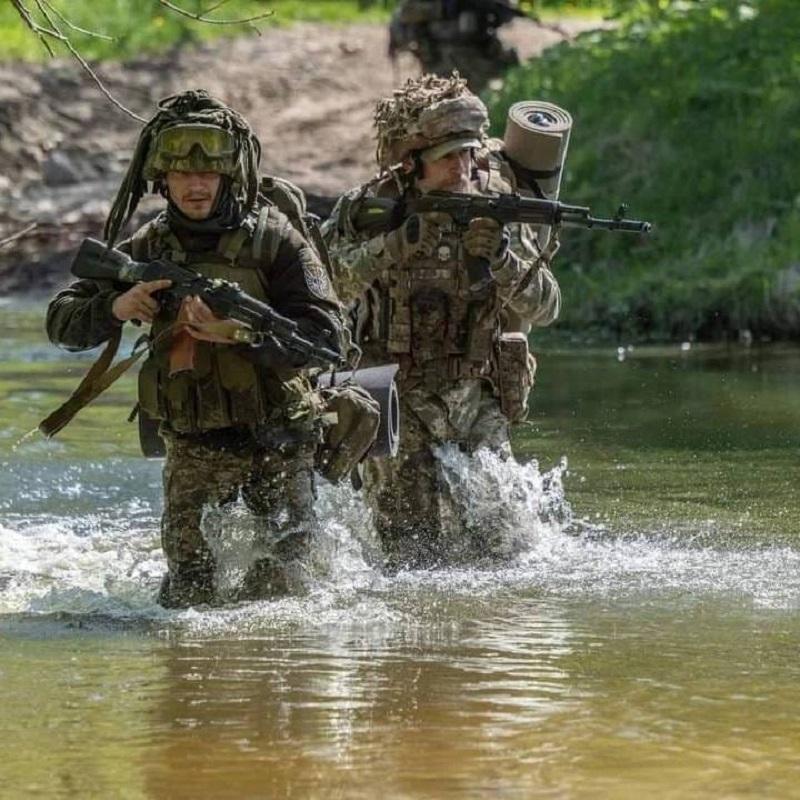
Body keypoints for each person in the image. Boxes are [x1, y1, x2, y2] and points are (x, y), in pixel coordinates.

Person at [46, 90, 345, 608]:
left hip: (278, 436)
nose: (195, 185)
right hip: (194, 444)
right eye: (182, 175)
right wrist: (118, 307)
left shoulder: (276, 242)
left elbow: (328, 340)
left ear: (229, 175)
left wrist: (241, 334)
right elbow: (61, 322)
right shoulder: (147, 248)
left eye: (207, 174)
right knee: (188, 598)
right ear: (162, 180)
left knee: (287, 595)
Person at [322, 73, 560, 570]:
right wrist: (393, 247)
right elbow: (324, 290)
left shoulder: (499, 206)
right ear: (412, 166)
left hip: (476, 393)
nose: (465, 168)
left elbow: (548, 307)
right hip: (393, 394)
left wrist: (502, 258)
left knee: (509, 550)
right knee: (410, 553)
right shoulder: (371, 209)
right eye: (448, 158)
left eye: (471, 153)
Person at [389, 0, 521, 91]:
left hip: (479, 56)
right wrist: (445, 7)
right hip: (441, 58)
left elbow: (507, 11)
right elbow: (406, 12)